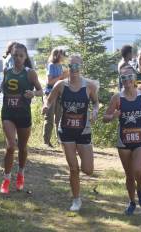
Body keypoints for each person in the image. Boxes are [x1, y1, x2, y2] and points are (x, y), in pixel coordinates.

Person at [42, 54, 99, 211]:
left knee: (88, 170)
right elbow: (49, 98)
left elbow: (95, 102)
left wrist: (95, 111)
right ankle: (76, 200)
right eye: (71, 66)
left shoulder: (89, 86)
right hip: (66, 130)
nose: (74, 69)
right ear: (68, 67)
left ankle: (85, 155)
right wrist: (45, 106)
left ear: (81, 68)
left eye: (77, 66)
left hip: (83, 131)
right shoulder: (61, 85)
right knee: (73, 168)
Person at [103, 65, 141, 215]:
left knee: (139, 171)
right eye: (123, 78)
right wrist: (113, 116)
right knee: (129, 174)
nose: (126, 80)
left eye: (129, 77)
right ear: (121, 80)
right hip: (124, 141)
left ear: (134, 78)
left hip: (140, 139)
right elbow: (105, 117)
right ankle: (132, 202)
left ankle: (140, 189)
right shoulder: (117, 98)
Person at [0, 43, 43, 194]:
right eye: (15, 55)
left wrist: (33, 94)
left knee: (22, 147)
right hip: (8, 112)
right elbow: (3, 85)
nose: (18, 58)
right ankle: (6, 179)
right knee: (10, 146)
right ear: (12, 56)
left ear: (25, 57)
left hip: (23, 114)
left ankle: (20, 173)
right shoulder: (7, 71)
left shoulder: (30, 73)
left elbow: (41, 91)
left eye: (21, 56)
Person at [43, 48, 68, 147]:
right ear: (57, 55)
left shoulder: (60, 66)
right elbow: (50, 82)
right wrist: (62, 76)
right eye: (62, 54)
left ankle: (60, 140)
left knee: (59, 119)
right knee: (49, 118)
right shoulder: (51, 66)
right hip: (50, 94)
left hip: (59, 94)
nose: (64, 56)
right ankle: (46, 142)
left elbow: (61, 80)